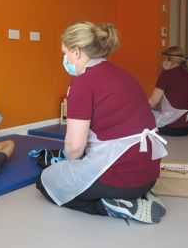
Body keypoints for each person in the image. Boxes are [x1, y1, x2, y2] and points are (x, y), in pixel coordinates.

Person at [36, 21, 168, 224]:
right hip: (148, 177)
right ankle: (136, 197)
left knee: (45, 182)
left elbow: (74, 149)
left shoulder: (82, 83)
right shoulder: (124, 75)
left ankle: (111, 205)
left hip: (122, 179)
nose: (64, 59)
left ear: (77, 52)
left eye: (65, 53)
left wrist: (68, 163)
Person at [149, 46, 188, 136]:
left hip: (172, 127)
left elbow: (153, 102)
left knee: (142, 121)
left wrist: (138, 111)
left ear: (170, 61)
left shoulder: (166, 75)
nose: (163, 62)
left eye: (164, 59)